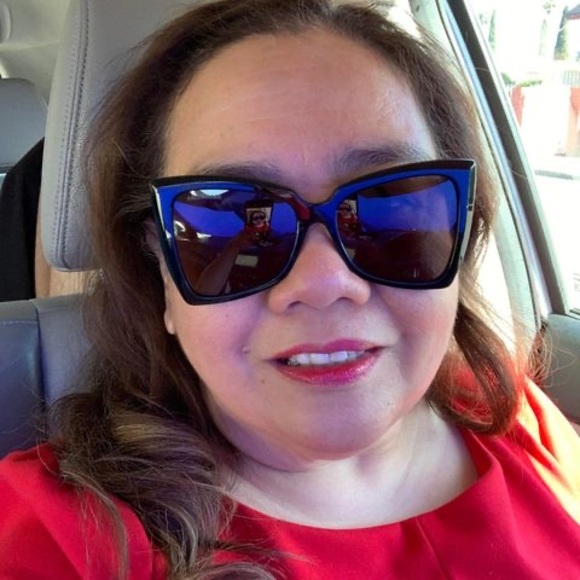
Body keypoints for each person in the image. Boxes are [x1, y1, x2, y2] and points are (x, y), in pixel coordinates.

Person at [0, 0, 579, 578]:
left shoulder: (521, 419)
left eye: (390, 210)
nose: (325, 282)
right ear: (162, 277)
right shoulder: (59, 537)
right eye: (229, 223)